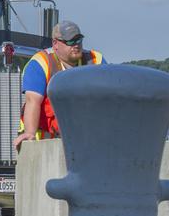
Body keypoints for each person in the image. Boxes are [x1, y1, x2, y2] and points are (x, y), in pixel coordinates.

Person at [13, 20, 105, 149]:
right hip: (45, 144)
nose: (76, 45)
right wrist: (30, 133)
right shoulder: (41, 63)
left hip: (84, 141)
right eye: (70, 41)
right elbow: (32, 101)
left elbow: (109, 98)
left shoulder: (96, 60)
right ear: (55, 43)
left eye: (79, 40)